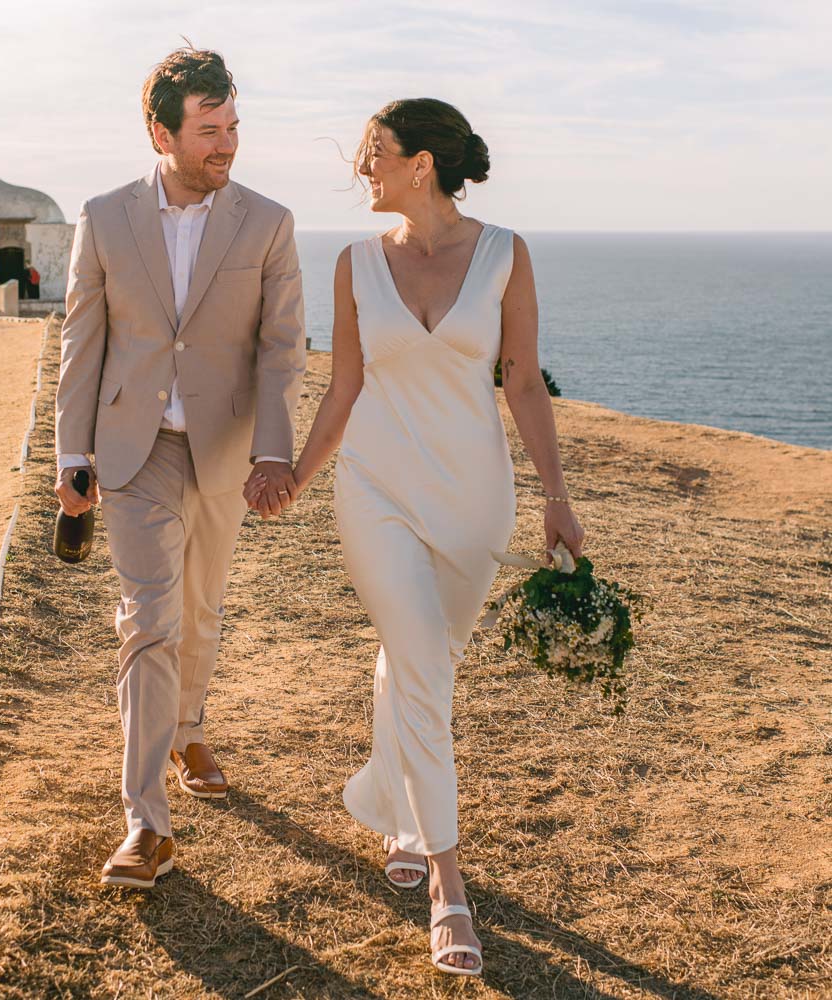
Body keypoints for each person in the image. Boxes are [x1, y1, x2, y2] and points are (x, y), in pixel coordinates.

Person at [246, 98, 584, 976]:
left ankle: (390, 799)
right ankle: (448, 884)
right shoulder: (357, 263)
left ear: (421, 165)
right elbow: (345, 386)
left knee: (423, 660)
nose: (366, 170)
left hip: (475, 499)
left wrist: (556, 497)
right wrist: (298, 477)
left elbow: (524, 386)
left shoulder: (506, 255)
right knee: (425, 668)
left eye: (376, 156)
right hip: (377, 490)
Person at [55, 46, 306, 889]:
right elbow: (82, 341)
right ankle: (145, 824)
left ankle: (191, 721)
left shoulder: (268, 223)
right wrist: (71, 454)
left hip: (224, 452)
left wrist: (275, 450)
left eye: (233, 127)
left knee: (199, 607)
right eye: (208, 131)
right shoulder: (103, 215)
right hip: (134, 453)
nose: (226, 146)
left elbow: (279, 352)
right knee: (149, 619)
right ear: (159, 130)